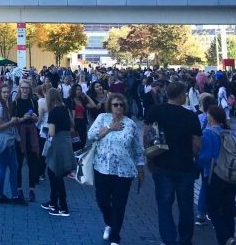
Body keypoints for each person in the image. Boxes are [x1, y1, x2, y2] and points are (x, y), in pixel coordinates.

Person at [144, 81, 202, 245]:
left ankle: (168, 240)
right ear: (182, 95)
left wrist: (150, 157)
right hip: (184, 166)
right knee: (185, 207)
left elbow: (146, 135)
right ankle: (185, 239)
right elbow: (196, 145)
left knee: (164, 206)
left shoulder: (156, 110)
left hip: (162, 164)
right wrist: (190, 155)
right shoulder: (190, 116)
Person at [88, 93, 145, 245]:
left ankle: (115, 235)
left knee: (119, 204)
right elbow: (91, 135)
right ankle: (109, 222)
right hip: (102, 168)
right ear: (110, 106)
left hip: (124, 171)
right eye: (115, 104)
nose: (118, 107)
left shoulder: (130, 124)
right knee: (102, 200)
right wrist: (109, 128)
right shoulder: (102, 118)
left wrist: (140, 168)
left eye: (121, 104)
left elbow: (137, 148)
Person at [196, 105, 236, 245]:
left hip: (214, 175)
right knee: (228, 209)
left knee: (213, 208)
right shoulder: (229, 132)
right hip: (231, 175)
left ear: (211, 117)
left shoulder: (208, 133)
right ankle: (228, 237)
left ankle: (226, 238)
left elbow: (205, 157)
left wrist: (195, 163)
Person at [41, 87, 75, 216]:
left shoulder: (54, 112)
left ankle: (62, 207)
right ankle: (53, 201)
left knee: (56, 175)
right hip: (66, 142)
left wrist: (46, 130)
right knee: (52, 172)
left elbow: (52, 132)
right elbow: (72, 126)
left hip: (57, 144)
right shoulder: (65, 108)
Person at [0, 83, 26, 205]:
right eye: (4, 92)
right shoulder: (0, 107)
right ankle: (2, 195)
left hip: (8, 141)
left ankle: (12, 195)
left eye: (7, 92)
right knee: (4, 169)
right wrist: (11, 122)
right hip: (4, 142)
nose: (6, 94)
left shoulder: (5, 105)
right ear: (0, 93)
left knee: (13, 168)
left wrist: (17, 120)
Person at [13, 79, 40, 201]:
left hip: (32, 133)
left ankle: (32, 189)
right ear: (19, 88)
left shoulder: (34, 101)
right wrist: (22, 118)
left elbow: (37, 119)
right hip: (19, 134)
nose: (24, 90)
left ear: (29, 90)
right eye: (22, 88)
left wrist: (35, 118)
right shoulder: (16, 103)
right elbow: (12, 120)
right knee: (18, 163)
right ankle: (19, 189)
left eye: (26, 88)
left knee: (32, 163)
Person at [70, 84, 97, 151]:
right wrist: (72, 126)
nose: (79, 91)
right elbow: (69, 115)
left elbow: (93, 105)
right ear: (74, 90)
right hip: (75, 125)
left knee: (83, 143)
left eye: (80, 89)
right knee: (75, 145)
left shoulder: (82, 100)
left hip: (83, 124)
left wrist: (86, 96)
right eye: (77, 89)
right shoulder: (70, 100)